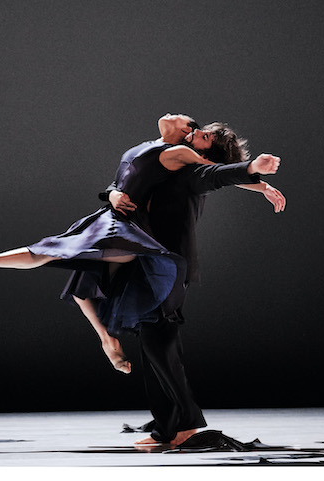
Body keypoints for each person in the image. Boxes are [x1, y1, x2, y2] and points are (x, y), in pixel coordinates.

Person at [0, 114, 281, 378]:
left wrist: (259, 181)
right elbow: (122, 179)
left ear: (186, 132)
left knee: (54, 253)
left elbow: (218, 173)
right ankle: (107, 339)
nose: (178, 117)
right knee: (80, 283)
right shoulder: (151, 145)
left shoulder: (181, 153)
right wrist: (113, 194)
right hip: (107, 217)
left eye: (191, 125)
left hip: (126, 229)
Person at [106, 121, 285, 446]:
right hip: (151, 262)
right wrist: (113, 193)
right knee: (152, 345)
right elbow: (128, 179)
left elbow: (216, 175)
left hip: (168, 267)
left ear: (206, 152)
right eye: (201, 131)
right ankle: (166, 429)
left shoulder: (192, 172)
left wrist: (252, 169)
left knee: (159, 343)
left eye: (204, 136)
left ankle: (186, 422)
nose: (195, 132)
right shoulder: (172, 162)